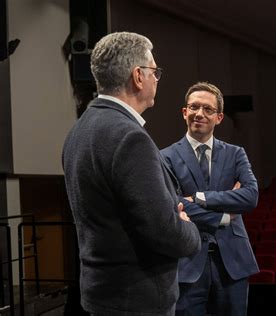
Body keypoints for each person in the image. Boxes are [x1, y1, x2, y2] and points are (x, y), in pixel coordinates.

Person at [62, 32, 201, 316]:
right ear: (138, 76)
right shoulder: (129, 137)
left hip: (102, 295)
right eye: (154, 71)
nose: (157, 79)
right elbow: (164, 232)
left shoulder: (79, 130)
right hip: (137, 301)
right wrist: (188, 227)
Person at [161, 82, 259, 316]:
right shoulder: (165, 157)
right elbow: (174, 204)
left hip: (233, 261)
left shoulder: (236, 153)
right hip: (187, 261)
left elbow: (250, 196)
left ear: (219, 117)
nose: (200, 114)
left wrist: (199, 197)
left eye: (208, 109)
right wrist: (225, 215)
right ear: (185, 112)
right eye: (194, 107)